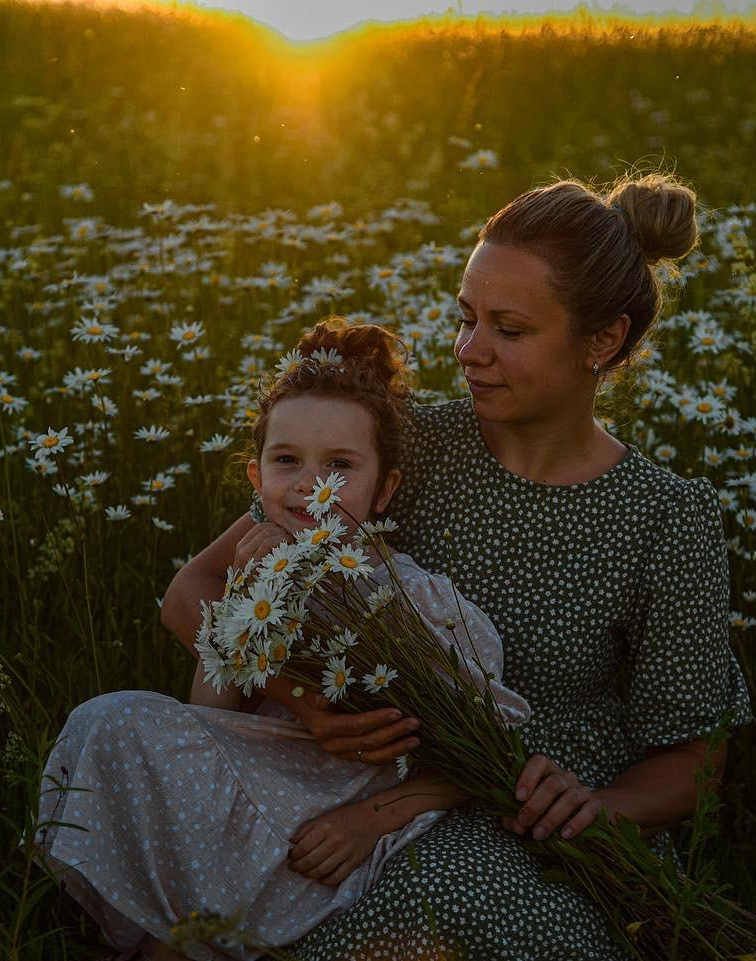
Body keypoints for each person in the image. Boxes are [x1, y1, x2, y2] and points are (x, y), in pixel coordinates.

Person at [161, 173, 756, 960]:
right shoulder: (406, 444)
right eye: (466, 318)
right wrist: (305, 702)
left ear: (602, 341)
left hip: (531, 828)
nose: (467, 351)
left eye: (508, 329)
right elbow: (196, 592)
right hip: (353, 789)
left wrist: (600, 808)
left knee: (441, 919)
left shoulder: (665, 515)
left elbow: (696, 758)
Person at [35, 319, 530, 961]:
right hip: (261, 785)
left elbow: (494, 743)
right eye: (286, 461)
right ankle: (193, 925)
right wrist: (248, 600)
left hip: (346, 809)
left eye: (339, 468)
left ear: (385, 491)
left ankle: (199, 933)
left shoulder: (408, 603)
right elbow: (210, 717)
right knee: (108, 721)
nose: (307, 486)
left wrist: (369, 821)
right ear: (256, 477)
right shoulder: (260, 574)